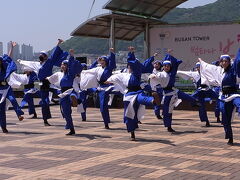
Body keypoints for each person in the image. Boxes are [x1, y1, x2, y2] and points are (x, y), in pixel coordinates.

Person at [106, 47, 160, 140]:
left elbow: (136, 64)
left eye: (132, 66)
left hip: (138, 91)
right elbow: (114, 77)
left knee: (142, 99)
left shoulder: (136, 74)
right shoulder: (123, 74)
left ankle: (153, 101)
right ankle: (132, 133)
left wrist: (131, 53)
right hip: (128, 94)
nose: (130, 67)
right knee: (129, 114)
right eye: (129, 66)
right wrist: (108, 81)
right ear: (127, 67)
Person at [149, 50, 199, 132]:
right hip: (167, 94)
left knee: (187, 97)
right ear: (163, 67)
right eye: (165, 66)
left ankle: (195, 102)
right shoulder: (161, 74)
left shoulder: (172, 72)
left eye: (168, 66)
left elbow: (177, 63)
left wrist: (170, 55)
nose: (167, 67)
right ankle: (168, 126)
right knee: (167, 111)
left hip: (174, 90)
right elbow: (156, 76)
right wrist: (153, 76)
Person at [199, 52, 240, 145]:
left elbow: (238, 60)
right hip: (222, 97)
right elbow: (208, 67)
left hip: (233, 94)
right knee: (225, 119)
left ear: (229, 62)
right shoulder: (218, 70)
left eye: (226, 61)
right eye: (223, 61)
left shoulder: (233, 70)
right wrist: (201, 62)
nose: (224, 63)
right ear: (220, 62)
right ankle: (230, 137)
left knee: (239, 102)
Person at [47, 49, 84, 135]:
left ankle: (74, 100)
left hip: (70, 90)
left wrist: (71, 55)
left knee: (72, 94)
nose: (62, 66)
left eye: (64, 64)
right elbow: (51, 78)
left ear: (67, 66)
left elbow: (71, 64)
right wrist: (46, 79)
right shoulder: (59, 74)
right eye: (62, 64)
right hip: (63, 93)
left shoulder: (70, 73)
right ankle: (71, 129)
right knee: (66, 112)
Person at [80, 48, 116, 129]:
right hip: (100, 88)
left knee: (104, 105)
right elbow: (90, 69)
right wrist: (96, 61)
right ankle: (106, 122)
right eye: (101, 60)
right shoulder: (98, 68)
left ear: (106, 61)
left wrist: (112, 53)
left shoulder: (109, 68)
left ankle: (106, 123)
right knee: (102, 107)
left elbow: (113, 62)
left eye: (103, 60)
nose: (102, 61)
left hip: (108, 87)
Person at [38, 39, 68, 126]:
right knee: (45, 102)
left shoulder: (49, 62)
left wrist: (58, 44)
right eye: (40, 55)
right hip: (43, 85)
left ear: (46, 57)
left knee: (62, 94)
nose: (41, 56)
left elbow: (54, 54)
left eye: (42, 55)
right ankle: (45, 120)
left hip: (50, 82)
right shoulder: (38, 64)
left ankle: (68, 109)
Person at [191, 62, 219, 127]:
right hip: (200, 92)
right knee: (200, 106)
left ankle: (222, 117)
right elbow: (185, 73)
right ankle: (206, 121)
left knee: (219, 99)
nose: (199, 68)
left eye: (200, 67)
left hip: (207, 90)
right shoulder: (194, 74)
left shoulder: (206, 74)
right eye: (197, 67)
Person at [0, 41, 18, 133]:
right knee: (1, 109)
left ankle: (4, 126)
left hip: (5, 89)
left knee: (9, 103)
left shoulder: (5, 69)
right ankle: (3, 126)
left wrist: (12, 47)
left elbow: (8, 57)